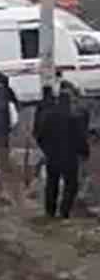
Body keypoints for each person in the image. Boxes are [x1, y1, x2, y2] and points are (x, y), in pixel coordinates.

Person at [34, 85, 86, 218]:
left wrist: (46, 150)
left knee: (52, 184)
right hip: (70, 158)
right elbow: (80, 138)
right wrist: (84, 152)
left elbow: (40, 136)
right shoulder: (74, 118)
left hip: (52, 156)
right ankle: (64, 211)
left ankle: (49, 211)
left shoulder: (49, 116)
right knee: (71, 185)